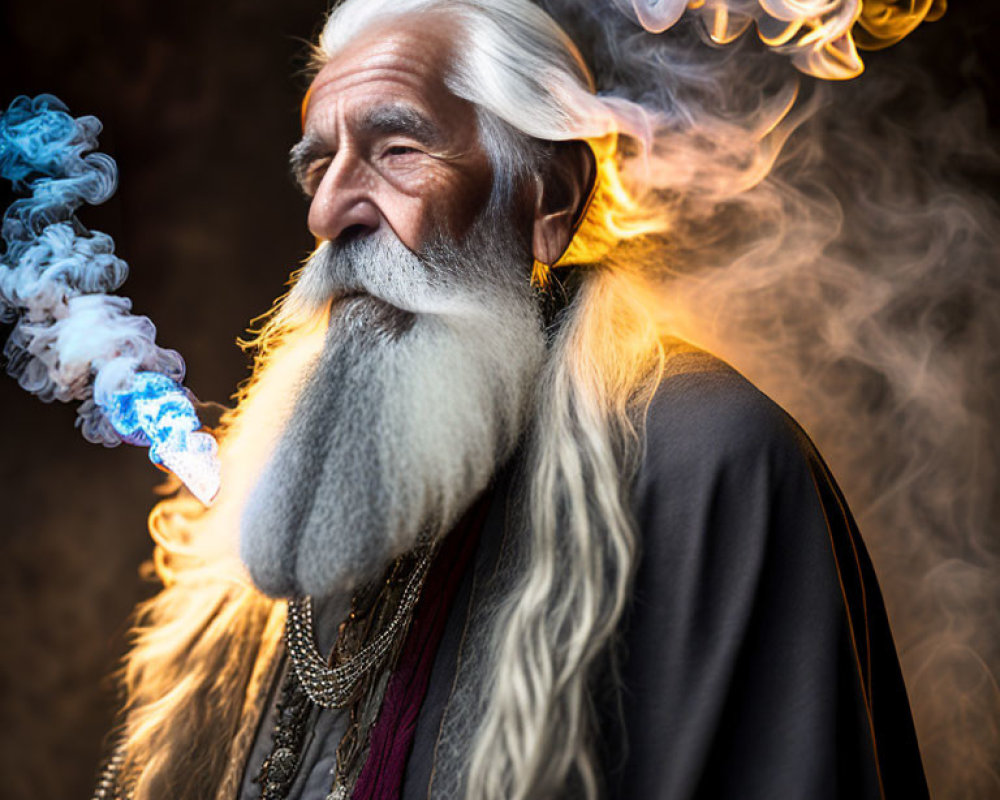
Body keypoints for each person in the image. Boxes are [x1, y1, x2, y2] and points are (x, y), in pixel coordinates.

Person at [94, 1, 929, 798]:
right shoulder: (290, 486)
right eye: (319, 165)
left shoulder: (710, 461)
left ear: (550, 200)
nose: (328, 211)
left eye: (396, 150)